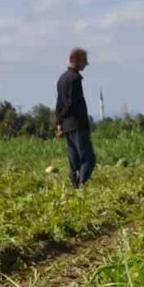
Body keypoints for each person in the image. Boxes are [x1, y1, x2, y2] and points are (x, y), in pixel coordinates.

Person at [55, 48, 96, 189]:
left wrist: (59, 123)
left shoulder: (62, 79)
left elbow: (59, 104)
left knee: (74, 160)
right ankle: (81, 186)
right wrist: (63, 117)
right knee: (88, 159)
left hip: (67, 126)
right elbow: (70, 104)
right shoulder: (75, 79)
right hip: (77, 124)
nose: (87, 63)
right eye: (84, 60)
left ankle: (74, 185)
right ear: (77, 60)